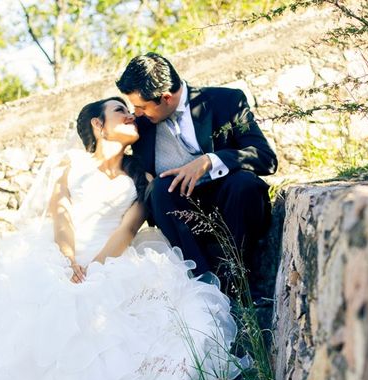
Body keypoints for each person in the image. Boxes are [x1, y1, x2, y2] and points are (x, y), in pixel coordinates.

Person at [0, 97, 242, 380]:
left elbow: (128, 226)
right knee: (60, 303)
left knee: (98, 304)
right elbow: (62, 211)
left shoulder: (142, 175)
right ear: (98, 126)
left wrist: (98, 266)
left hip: (116, 254)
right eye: (119, 110)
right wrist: (70, 259)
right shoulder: (70, 164)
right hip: (64, 252)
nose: (130, 114)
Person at [115, 53, 277, 283]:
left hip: (234, 205)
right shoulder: (141, 126)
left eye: (141, 107)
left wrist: (210, 161)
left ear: (166, 98)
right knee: (159, 189)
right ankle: (203, 284)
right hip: (180, 218)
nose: (136, 113)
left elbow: (266, 158)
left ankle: (237, 281)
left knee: (244, 183)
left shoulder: (226, 101)